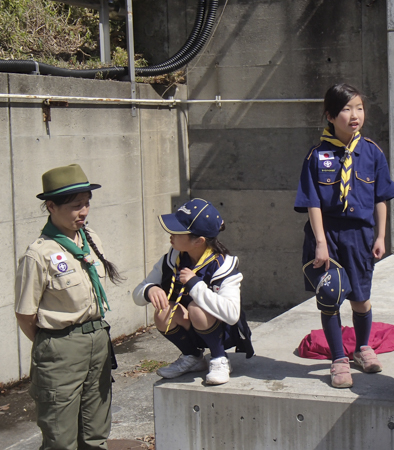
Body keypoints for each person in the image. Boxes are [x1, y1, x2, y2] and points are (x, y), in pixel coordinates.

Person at [294, 83, 394, 388]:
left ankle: (363, 347)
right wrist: (321, 243)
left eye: (359, 108)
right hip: (327, 233)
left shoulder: (372, 152)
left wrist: (381, 237)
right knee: (329, 298)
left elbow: (381, 197)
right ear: (330, 115)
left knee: (361, 299)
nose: (354, 115)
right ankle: (339, 358)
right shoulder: (316, 156)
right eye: (346, 109)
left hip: (360, 235)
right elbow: (312, 201)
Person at [15, 164, 123, 450]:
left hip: (97, 340)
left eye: (86, 204)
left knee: (96, 432)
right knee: (61, 439)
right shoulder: (39, 254)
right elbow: (26, 314)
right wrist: (55, 345)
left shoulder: (90, 239)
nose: (84, 212)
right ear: (51, 206)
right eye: (76, 206)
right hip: (61, 347)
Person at [132, 198, 253, 385]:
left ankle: (219, 359)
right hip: (193, 330)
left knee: (197, 307)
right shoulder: (173, 258)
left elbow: (232, 315)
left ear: (199, 241)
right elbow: (137, 295)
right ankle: (192, 357)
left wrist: (196, 285)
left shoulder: (224, 266)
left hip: (224, 333)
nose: (170, 235)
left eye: (178, 231)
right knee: (164, 311)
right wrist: (151, 289)